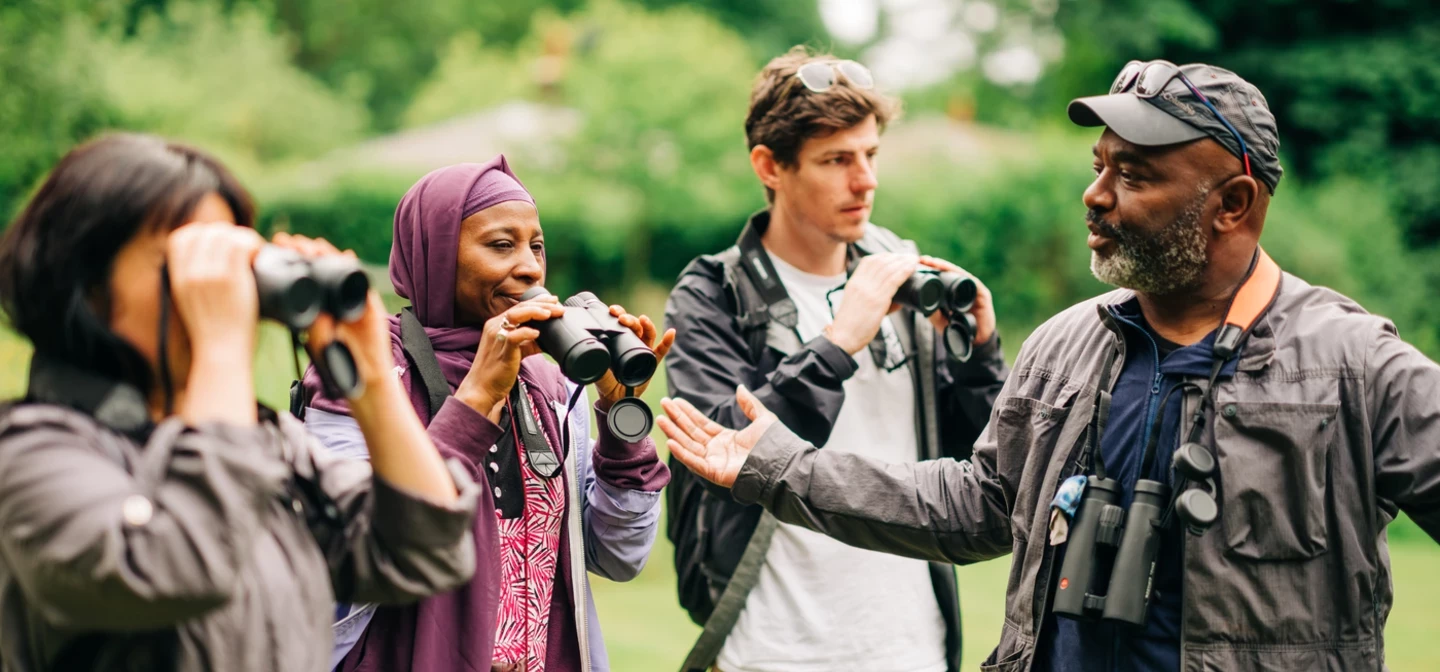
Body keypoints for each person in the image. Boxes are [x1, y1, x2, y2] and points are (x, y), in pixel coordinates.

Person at [659, 61, 1440, 672]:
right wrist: (780, 466)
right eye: (1099, 165)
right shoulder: (1069, 344)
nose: (1093, 195)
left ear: (1233, 204)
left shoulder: (1354, 364)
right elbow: (979, 505)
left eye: (1132, 175)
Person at [0, 134, 479, 671]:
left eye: (229, 266)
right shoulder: (29, 455)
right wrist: (222, 347)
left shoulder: (269, 445)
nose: (218, 288)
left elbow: (425, 550)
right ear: (83, 280)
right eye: (182, 262)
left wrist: (371, 379)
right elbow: (176, 564)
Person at [662, 47, 1006, 672]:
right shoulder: (714, 292)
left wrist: (980, 354)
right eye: (836, 160)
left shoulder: (901, 271)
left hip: (914, 643)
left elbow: (980, 466)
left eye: (871, 154)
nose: (865, 180)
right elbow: (717, 449)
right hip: (775, 649)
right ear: (770, 165)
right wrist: (835, 345)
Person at [298, 156, 673, 672]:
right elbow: (351, 558)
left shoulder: (552, 380)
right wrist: (474, 400)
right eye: (501, 245)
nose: (529, 267)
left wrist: (617, 412)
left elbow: (619, 556)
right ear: (435, 255)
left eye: (536, 246)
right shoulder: (368, 369)